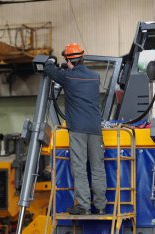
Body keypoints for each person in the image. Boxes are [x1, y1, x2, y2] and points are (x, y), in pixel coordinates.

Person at [44, 42, 107, 215]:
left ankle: (84, 206)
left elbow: (49, 70)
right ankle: (101, 207)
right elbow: (75, 74)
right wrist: (67, 67)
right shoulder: (95, 77)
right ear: (82, 58)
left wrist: (51, 60)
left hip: (78, 128)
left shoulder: (67, 77)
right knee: (97, 167)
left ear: (69, 60)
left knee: (79, 167)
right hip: (95, 127)